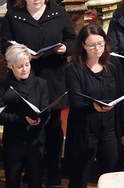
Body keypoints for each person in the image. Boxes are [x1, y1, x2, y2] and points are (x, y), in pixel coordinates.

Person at [0, 0, 76, 187]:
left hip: (53, 79)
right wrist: (21, 54)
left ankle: (52, 176)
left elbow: (72, 39)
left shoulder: (58, 12)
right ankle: (29, 176)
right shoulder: (14, 15)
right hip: (25, 80)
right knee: (27, 129)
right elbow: (4, 44)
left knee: (52, 131)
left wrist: (64, 48)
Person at [65, 23, 124, 188]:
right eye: (92, 45)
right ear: (83, 45)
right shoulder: (73, 69)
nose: (97, 48)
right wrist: (93, 107)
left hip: (110, 129)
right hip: (84, 130)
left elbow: (121, 96)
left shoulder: (114, 65)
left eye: (100, 43)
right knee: (80, 175)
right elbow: (76, 102)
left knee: (111, 172)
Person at [0, 44, 49, 188]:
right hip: (14, 143)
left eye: (27, 64)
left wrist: (39, 119)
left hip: (35, 142)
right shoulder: (4, 85)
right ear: (10, 66)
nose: (25, 69)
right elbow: (0, 117)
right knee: (12, 182)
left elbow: (46, 112)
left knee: (36, 182)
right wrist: (22, 119)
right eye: (19, 66)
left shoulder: (41, 84)